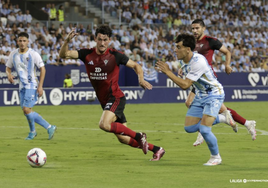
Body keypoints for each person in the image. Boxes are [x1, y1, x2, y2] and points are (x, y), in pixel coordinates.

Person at [59, 25, 165, 161]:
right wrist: (67, 41)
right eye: (99, 39)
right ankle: (157, 149)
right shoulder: (86, 54)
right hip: (105, 101)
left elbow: (136, 66)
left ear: (109, 40)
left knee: (103, 124)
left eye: (105, 40)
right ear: (95, 39)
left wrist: (141, 79)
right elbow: (63, 55)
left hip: (115, 98)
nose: (102, 43)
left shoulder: (115, 56)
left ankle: (139, 136)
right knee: (123, 138)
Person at [156, 33, 224, 166]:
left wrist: (168, 72)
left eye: (178, 47)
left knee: (204, 130)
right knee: (190, 127)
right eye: (175, 47)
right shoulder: (183, 60)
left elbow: (185, 85)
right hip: (200, 95)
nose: (175, 50)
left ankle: (216, 157)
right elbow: (186, 72)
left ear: (188, 49)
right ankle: (222, 118)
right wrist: (181, 70)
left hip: (214, 94)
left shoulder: (198, 62)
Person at [189, 19, 256, 146]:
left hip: (208, 79)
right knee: (192, 103)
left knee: (213, 107)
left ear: (204, 28)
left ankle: (203, 131)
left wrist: (227, 65)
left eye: (197, 28)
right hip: (197, 79)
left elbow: (227, 52)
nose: (194, 31)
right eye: (193, 29)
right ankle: (246, 123)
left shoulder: (210, 41)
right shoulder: (191, 43)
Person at [5, 32, 57, 140]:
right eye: (20, 41)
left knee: (27, 110)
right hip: (21, 86)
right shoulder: (13, 54)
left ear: (28, 42)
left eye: (24, 41)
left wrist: (40, 86)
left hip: (32, 85)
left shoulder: (33, 54)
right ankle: (33, 132)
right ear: (17, 41)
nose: (22, 43)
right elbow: (8, 67)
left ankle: (49, 127)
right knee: (27, 111)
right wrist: (9, 75)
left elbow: (42, 69)